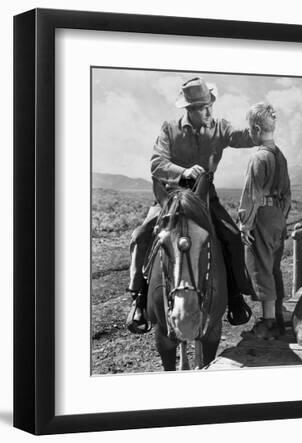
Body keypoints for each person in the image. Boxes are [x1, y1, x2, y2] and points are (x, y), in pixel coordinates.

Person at [126, 77, 256, 333]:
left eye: (209, 105)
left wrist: (260, 127)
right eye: (201, 107)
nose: (208, 111)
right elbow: (156, 163)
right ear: (189, 109)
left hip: (206, 195)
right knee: (141, 236)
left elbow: (242, 137)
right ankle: (139, 299)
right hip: (170, 195)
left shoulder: (220, 127)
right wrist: (183, 172)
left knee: (231, 237)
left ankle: (234, 297)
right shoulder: (169, 130)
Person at [238, 103, 291, 339]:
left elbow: (251, 195)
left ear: (257, 128)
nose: (250, 133)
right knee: (274, 267)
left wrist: (245, 223)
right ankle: (278, 317)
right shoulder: (281, 157)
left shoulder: (258, 158)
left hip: (262, 216)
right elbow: (288, 194)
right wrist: (283, 218)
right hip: (278, 216)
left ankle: (268, 323)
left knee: (260, 266)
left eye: (250, 129)